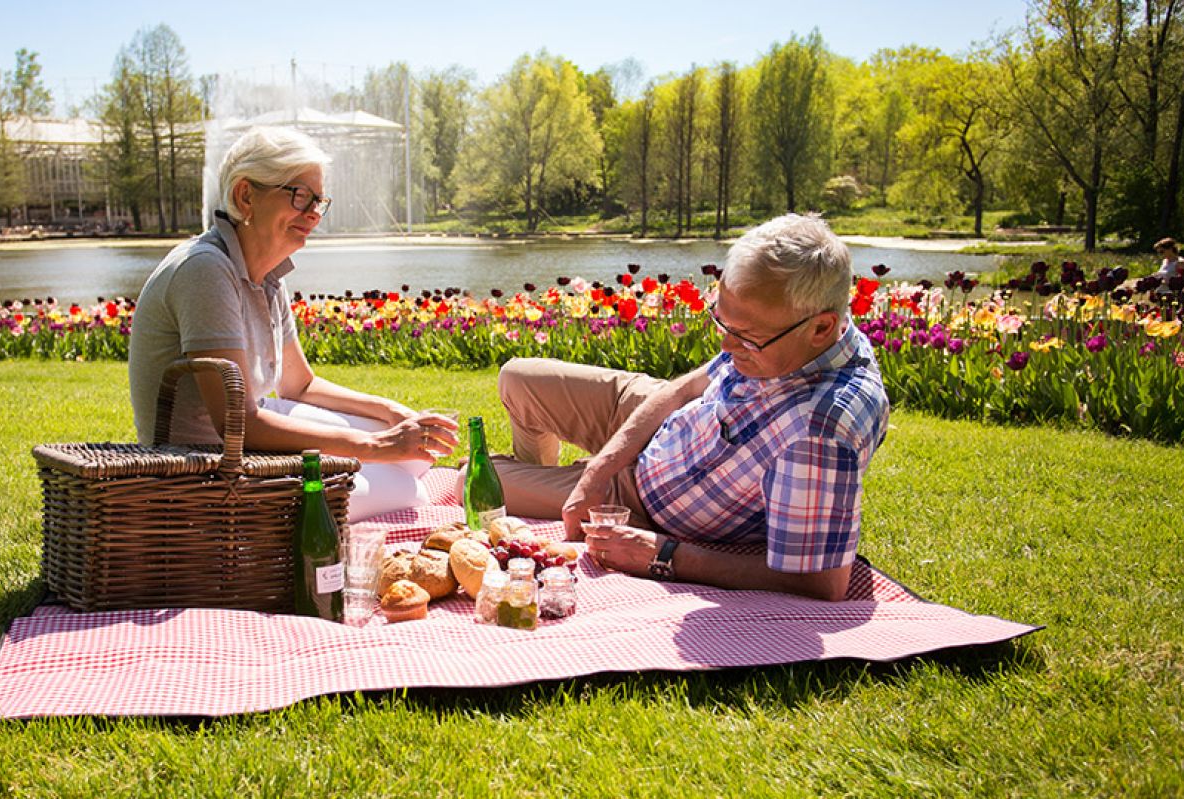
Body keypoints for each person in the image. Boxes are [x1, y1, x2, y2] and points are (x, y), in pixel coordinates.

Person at [489, 214, 890, 601]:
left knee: (473, 484)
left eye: (746, 337)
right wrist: (597, 470)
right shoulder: (797, 335)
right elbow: (685, 390)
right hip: (669, 418)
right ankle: (555, 484)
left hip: (649, 500)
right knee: (518, 377)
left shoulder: (820, 433)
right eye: (722, 323)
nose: (726, 348)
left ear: (821, 327)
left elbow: (820, 584)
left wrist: (665, 555)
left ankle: (541, 492)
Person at [128, 126, 456, 521]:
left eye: (319, 200)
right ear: (244, 195)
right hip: (207, 466)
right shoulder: (205, 270)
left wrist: (390, 413)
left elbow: (299, 384)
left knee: (416, 460)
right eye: (300, 196)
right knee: (408, 490)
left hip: (250, 434)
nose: (314, 213)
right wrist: (372, 445)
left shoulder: (266, 274)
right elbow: (239, 423)